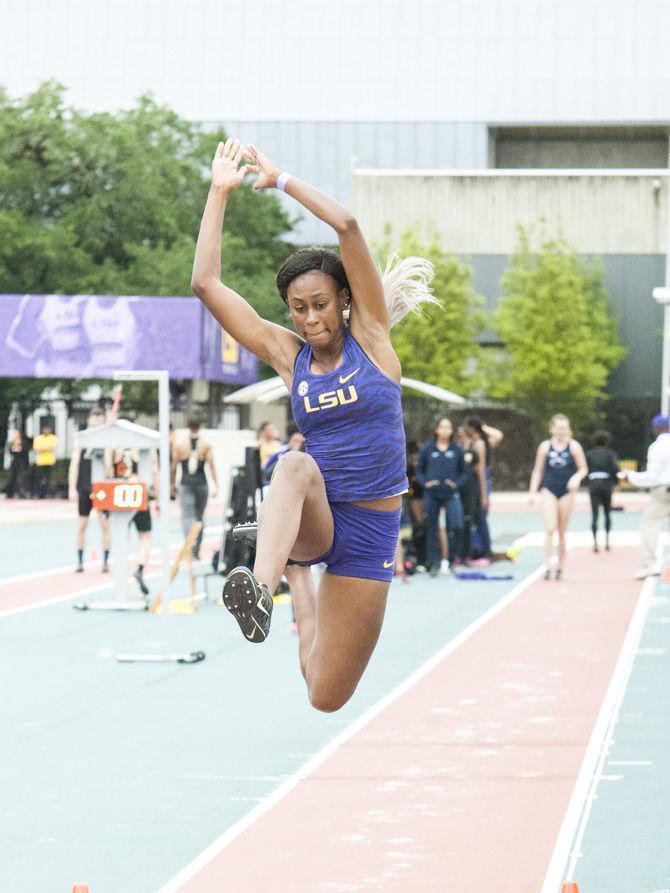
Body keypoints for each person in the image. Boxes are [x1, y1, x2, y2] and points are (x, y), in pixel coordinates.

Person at [191, 138, 435, 712]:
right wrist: (218, 192)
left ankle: (296, 577)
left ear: (345, 301)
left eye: (320, 304)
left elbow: (347, 227)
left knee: (324, 696)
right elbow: (206, 285)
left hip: (371, 533)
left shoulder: (372, 340)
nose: (310, 318)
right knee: (295, 462)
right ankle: (262, 581)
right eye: (298, 308)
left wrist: (280, 181)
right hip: (318, 513)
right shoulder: (289, 356)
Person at [529, 414, 588, 580]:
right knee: (550, 528)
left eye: (564, 428)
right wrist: (532, 492)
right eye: (558, 427)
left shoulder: (574, 446)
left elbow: (583, 468)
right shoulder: (545, 447)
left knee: (561, 531)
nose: (561, 431)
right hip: (549, 489)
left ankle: (560, 565)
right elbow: (538, 470)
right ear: (551, 428)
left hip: (566, 491)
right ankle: (547, 564)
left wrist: (576, 478)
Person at [619, 414, 670, 579]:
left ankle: (649, 565)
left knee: (649, 525)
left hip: (663, 492)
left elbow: (652, 478)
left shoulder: (657, 447)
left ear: (655, 428)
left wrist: (631, 477)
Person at [415, 418, 466, 576]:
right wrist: (425, 483)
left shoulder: (456, 449)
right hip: (432, 493)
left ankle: (449, 560)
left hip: (450, 493)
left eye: (448, 427)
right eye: (442, 427)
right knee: (432, 527)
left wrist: (456, 484)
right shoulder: (428, 449)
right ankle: (434, 561)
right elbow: (419, 470)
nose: (445, 430)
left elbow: (464, 472)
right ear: (436, 429)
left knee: (456, 525)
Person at [107, 445, 160, 597]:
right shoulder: (146, 448)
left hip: (120, 493)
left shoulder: (114, 448)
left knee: (121, 535)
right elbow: (155, 473)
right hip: (139, 492)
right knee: (145, 536)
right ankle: (140, 568)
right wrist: (157, 498)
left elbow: (109, 471)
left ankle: (120, 573)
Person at [68, 407, 111, 573]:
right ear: (89, 420)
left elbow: (109, 467)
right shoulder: (81, 439)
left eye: (100, 419)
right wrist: (72, 488)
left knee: (104, 525)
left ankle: (106, 561)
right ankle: (79, 561)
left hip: (101, 488)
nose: (96, 422)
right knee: (82, 524)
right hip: (84, 487)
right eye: (94, 418)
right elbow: (75, 464)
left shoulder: (106, 440)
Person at [171, 418, 218, 559]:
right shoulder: (205, 445)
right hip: (201, 482)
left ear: (188, 427)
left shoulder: (180, 445)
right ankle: (196, 548)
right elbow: (211, 465)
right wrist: (216, 485)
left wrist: (172, 485)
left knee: (187, 516)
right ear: (199, 427)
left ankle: (189, 547)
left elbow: (174, 467)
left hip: (186, 482)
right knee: (199, 517)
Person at [462, 417, 494, 564]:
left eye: (466, 426)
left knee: (480, 518)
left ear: (472, 428)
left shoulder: (480, 443)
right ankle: (477, 551)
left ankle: (487, 552)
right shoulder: (471, 443)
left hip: (478, 484)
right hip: (471, 484)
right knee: (475, 518)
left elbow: (480, 470)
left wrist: (483, 494)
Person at [585, 430, 619, 553]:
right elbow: (614, 468)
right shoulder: (610, 454)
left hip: (594, 484)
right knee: (607, 513)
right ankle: (607, 541)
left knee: (594, 515)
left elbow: (585, 469)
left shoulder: (589, 454)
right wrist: (615, 483)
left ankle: (595, 543)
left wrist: (588, 482)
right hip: (606, 484)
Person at [32, 423, 58, 498]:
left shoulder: (53, 437)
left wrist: (43, 448)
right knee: (40, 479)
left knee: (49, 479)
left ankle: (49, 493)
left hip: (50, 461)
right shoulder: (38, 438)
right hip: (41, 461)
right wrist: (46, 448)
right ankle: (40, 494)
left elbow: (52, 448)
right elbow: (37, 449)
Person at [3, 431, 28, 498]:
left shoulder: (23, 442)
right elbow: (11, 452)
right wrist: (14, 446)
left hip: (21, 462)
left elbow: (25, 453)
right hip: (14, 461)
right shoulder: (12, 443)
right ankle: (11, 492)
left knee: (21, 477)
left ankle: (21, 492)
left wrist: (20, 446)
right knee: (13, 477)